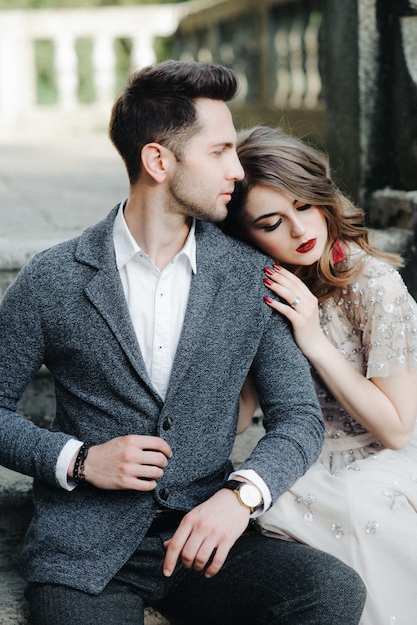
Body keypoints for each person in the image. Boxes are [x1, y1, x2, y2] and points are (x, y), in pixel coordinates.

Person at [0, 62, 366, 625]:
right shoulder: (53, 279)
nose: (237, 170)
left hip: (208, 535)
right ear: (158, 161)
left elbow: (297, 418)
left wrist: (240, 497)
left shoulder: (252, 277)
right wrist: (78, 460)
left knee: (330, 592)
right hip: (85, 552)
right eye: (219, 151)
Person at [224, 125, 417, 625]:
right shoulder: (267, 287)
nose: (299, 229)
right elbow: (241, 419)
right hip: (303, 458)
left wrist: (313, 337)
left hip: (386, 458)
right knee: (259, 503)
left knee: (355, 503)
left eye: (305, 205)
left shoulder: (375, 285)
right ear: (245, 234)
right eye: (272, 222)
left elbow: (396, 429)